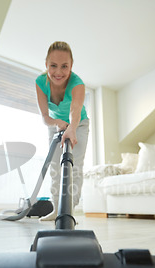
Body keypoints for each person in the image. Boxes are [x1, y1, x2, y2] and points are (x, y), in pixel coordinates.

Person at [35, 41, 90, 221]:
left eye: (64, 66)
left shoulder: (77, 83)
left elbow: (76, 109)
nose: (58, 72)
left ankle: (68, 211)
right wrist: (58, 123)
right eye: (53, 66)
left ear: (71, 66)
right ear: (46, 65)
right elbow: (45, 117)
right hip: (55, 124)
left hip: (79, 124)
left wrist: (72, 128)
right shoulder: (40, 83)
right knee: (55, 166)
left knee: (74, 166)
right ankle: (56, 210)